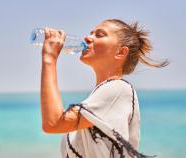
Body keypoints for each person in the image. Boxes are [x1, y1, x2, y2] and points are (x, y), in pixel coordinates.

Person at [40, 19, 169, 158]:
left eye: (99, 35)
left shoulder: (118, 89)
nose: (87, 38)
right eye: (91, 33)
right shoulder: (100, 98)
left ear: (121, 52)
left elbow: (54, 123)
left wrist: (50, 58)